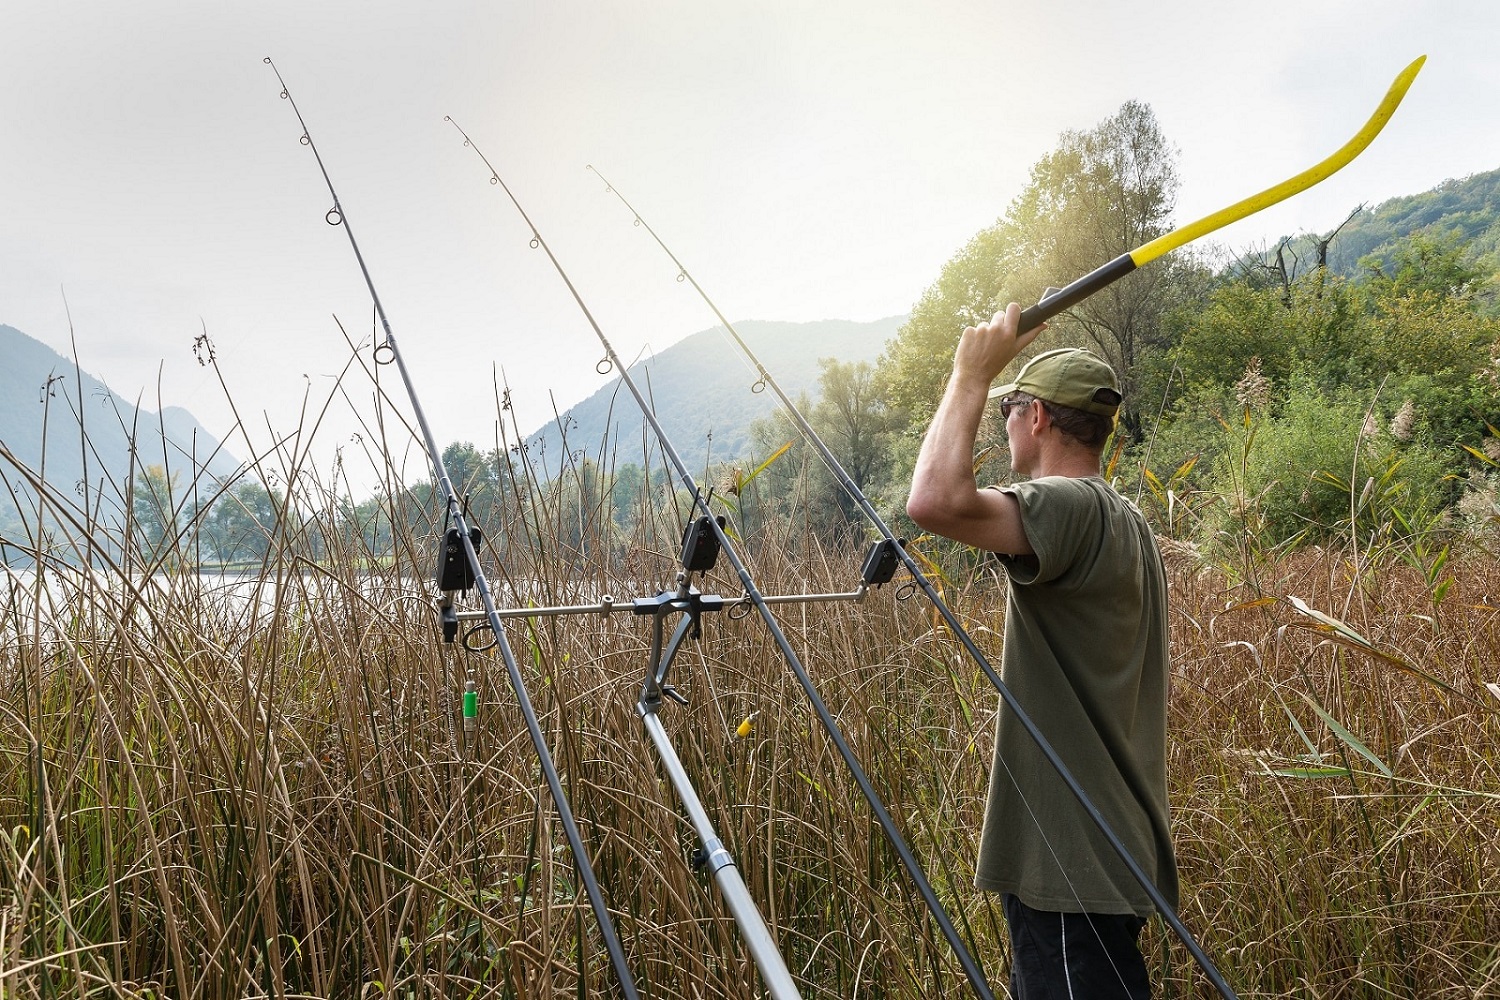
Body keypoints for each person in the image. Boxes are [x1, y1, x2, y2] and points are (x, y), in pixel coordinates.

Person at [906, 302, 1176, 999]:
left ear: (1038, 418)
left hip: (1072, 870)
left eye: (1005, 409)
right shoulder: (1125, 520)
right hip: (1103, 858)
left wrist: (969, 374)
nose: (1002, 424)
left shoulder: (1068, 504)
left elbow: (934, 500)